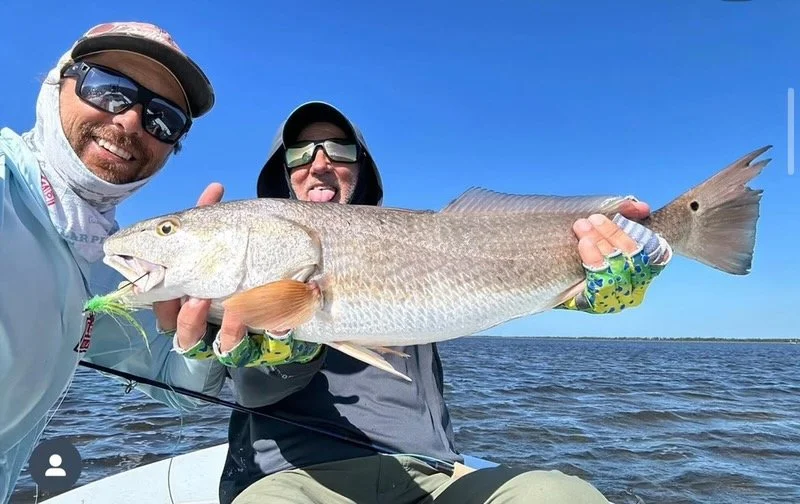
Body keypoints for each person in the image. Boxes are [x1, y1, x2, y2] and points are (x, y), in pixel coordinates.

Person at [171, 101, 672, 503]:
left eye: (338, 150)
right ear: (282, 174)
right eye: (299, 154)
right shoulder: (224, 277)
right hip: (296, 479)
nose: (319, 164)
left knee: (560, 495)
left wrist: (589, 289)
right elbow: (234, 388)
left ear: (361, 166)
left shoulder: (423, 242)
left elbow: (498, 284)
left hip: (431, 479)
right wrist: (275, 349)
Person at [0, 22, 227, 502]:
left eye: (163, 118)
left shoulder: (109, 264)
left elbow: (172, 382)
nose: (130, 122)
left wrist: (202, 333)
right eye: (108, 88)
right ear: (57, 83)